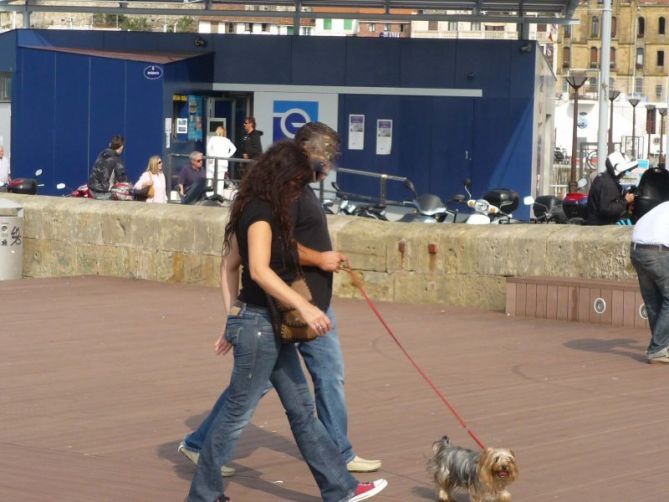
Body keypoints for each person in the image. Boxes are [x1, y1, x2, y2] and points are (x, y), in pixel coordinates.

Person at [186, 140, 387, 502]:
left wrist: (232, 317)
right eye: (297, 180)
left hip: (263, 323)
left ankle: (339, 489)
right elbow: (258, 271)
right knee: (236, 413)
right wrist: (304, 307)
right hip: (261, 325)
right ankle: (202, 494)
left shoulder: (253, 205)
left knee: (302, 411)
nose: (300, 187)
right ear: (283, 176)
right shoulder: (261, 212)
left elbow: (231, 266)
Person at [630, 200, 669, 364]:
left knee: (653, 301)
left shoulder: (664, 206)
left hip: (636, 249)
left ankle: (661, 346)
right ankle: (657, 348)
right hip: (657, 252)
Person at [585, 151, 638, 225]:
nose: (625, 173)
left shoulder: (605, 178)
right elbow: (607, 209)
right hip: (600, 228)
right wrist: (625, 201)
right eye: (623, 171)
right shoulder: (607, 183)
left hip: (598, 225)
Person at [88, 135, 127, 200]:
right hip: (104, 192)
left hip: (91, 190)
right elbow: (123, 179)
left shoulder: (101, 155)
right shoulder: (116, 160)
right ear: (121, 147)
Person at [206, 126, 236, 195]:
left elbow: (208, 148)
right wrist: (227, 156)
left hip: (213, 162)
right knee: (220, 180)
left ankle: (208, 194)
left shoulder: (213, 139)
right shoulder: (227, 140)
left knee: (210, 178)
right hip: (223, 163)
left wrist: (212, 156)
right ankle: (219, 195)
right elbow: (234, 149)